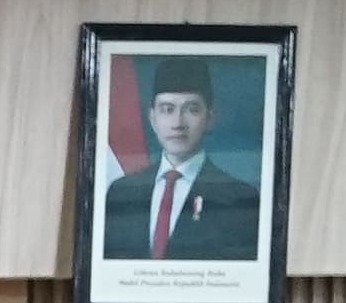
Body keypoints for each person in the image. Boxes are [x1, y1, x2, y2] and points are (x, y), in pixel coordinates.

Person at [98, 62, 267, 262]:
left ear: (210, 118)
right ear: (152, 118)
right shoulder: (121, 192)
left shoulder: (240, 198)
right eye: (167, 109)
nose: (178, 123)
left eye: (191, 109)